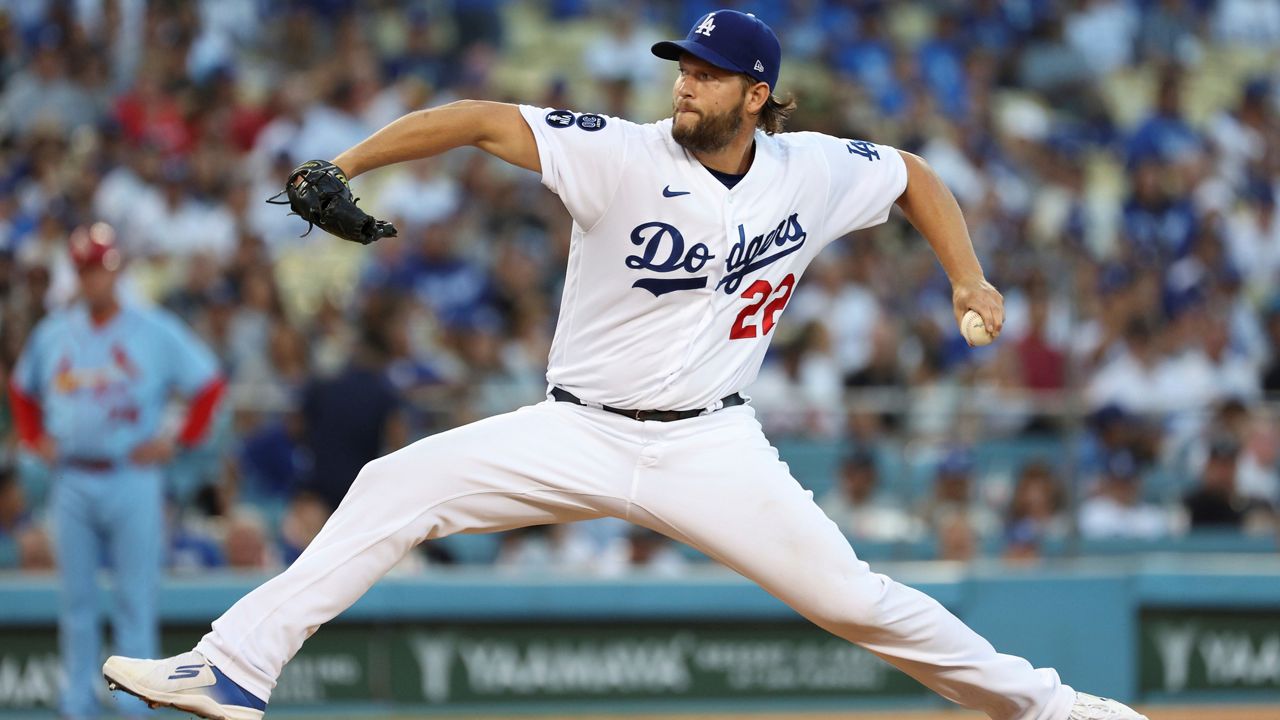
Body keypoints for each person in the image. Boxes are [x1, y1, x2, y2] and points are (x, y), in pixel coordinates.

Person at [102, 11, 1145, 720]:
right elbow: (476, 120)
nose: (683, 85)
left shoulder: (809, 170)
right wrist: (349, 162)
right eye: (679, 68)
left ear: (756, 92)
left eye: (704, 73)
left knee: (857, 603)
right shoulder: (619, 151)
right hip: (578, 428)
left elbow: (912, 174)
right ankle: (234, 669)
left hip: (711, 443)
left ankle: (1050, 706)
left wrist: (966, 278)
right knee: (395, 483)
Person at [8, 222, 225, 719]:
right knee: (77, 604)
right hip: (72, 478)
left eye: (101, 269)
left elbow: (208, 383)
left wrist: (177, 440)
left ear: (117, 270)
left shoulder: (151, 328)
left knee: (135, 601)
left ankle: (134, 709)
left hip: (132, 476)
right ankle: (77, 705)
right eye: (85, 270)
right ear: (77, 275)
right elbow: (22, 388)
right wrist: (33, 438)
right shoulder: (55, 331)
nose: (94, 280)